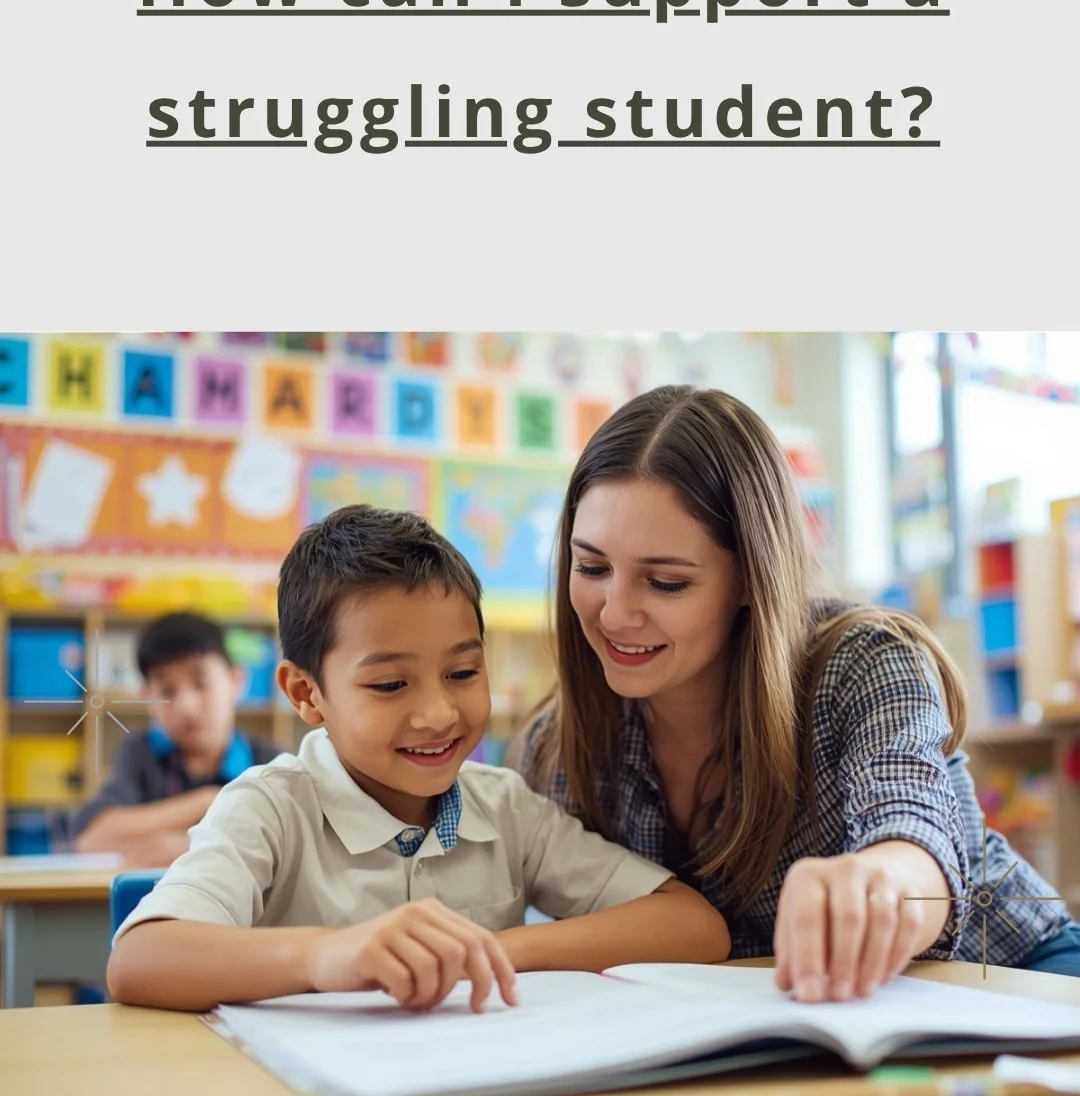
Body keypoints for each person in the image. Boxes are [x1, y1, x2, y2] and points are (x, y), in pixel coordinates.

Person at [513, 384, 1080, 1000]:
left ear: (751, 579)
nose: (615, 614)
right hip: (796, 1025)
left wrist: (877, 886)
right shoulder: (561, 744)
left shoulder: (864, 663)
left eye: (666, 582)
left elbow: (916, 840)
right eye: (592, 568)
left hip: (1012, 979)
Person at [106, 506, 729, 1013]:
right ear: (306, 694)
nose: (438, 713)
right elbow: (139, 960)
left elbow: (694, 927)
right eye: (389, 685)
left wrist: (493, 949)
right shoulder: (270, 808)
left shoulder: (505, 808)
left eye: (462, 672)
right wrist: (326, 957)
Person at [72, 612, 280, 868]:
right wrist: (208, 801)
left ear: (236, 681)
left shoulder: (269, 762)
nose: (186, 705)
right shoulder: (141, 752)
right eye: (167, 690)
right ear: (148, 697)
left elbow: (289, 844)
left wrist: (190, 845)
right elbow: (92, 839)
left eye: (201, 683)